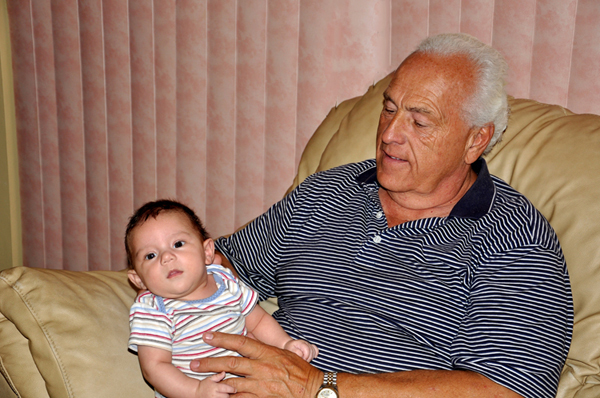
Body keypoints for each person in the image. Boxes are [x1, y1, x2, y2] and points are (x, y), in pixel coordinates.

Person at [190, 33, 573, 398]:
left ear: (476, 140)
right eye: (389, 109)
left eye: (419, 122)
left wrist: (316, 387)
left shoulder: (515, 237)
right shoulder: (327, 191)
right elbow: (224, 266)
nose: (390, 133)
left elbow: (511, 389)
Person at [125, 200, 319, 398]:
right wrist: (196, 391)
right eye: (150, 255)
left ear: (207, 252)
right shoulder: (153, 309)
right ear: (138, 279)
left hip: (249, 386)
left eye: (178, 244)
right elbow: (155, 368)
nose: (166, 257)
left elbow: (258, 320)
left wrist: (285, 344)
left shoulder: (226, 281)